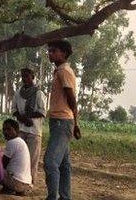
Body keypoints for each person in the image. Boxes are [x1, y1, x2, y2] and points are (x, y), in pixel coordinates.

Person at [44, 39, 82, 200]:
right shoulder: (60, 70)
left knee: (50, 162)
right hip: (59, 121)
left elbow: (71, 97)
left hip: (62, 121)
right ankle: (65, 197)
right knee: (64, 165)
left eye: (54, 51)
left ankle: (52, 197)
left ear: (64, 53)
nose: (50, 54)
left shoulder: (63, 71)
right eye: (49, 51)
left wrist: (76, 121)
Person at [12, 67, 46, 185]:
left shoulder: (39, 93)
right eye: (23, 76)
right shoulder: (18, 93)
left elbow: (42, 112)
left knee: (32, 160)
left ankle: (30, 183)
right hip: (21, 129)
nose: (25, 79)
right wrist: (22, 118)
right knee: (19, 158)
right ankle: (18, 181)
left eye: (27, 76)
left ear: (33, 77)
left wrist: (28, 117)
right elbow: (14, 110)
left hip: (34, 131)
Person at [2, 119, 32, 195]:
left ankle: (8, 189)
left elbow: (3, 164)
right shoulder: (21, 141)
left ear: (17, 130)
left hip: (16, 183)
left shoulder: (12, 142)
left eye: (9, 129)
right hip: (27, 184)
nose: (6, 132)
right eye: (4, 129)